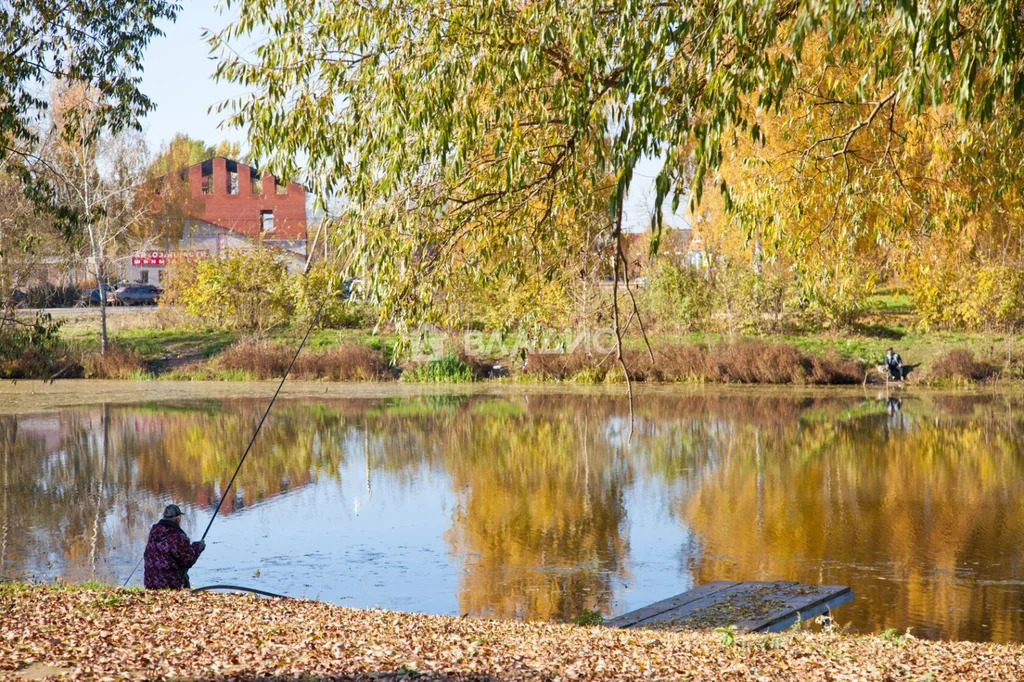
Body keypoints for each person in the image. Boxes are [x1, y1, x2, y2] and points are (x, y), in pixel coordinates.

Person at [143, 504, 205, 590]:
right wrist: (199, 546)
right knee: (185, 579)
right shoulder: (178, 536)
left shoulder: (154, 531)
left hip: (150, 583)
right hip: (169, 585)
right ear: (177, 519)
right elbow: (188, 560)